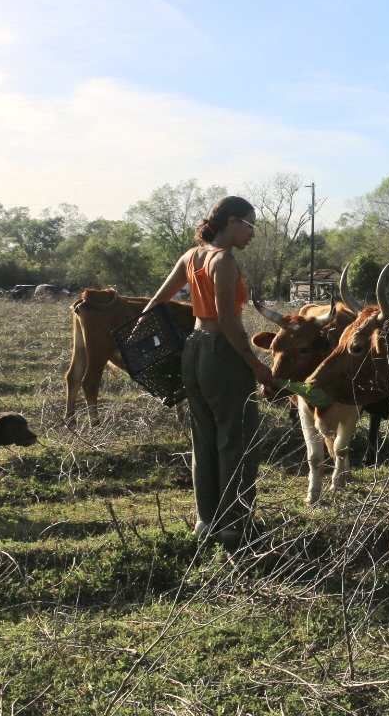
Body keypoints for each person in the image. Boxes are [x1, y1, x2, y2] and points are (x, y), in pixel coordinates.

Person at [139, 196, 278, 545]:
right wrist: (257, 367)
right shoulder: (224, 261)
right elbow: (230, 324)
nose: (252, 234)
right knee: (237, 438)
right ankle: (233, 524)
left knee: (204, 438)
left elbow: (155, 304)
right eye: (250, 225)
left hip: (194, 349)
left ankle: (207, 520)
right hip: (223, 353)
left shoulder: (190, 256)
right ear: (232, 222)